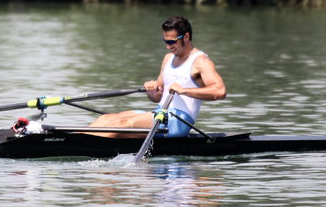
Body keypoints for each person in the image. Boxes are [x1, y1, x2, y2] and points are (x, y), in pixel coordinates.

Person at [88, 16, 226, 137]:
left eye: (172, 42)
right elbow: (157, 97)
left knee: (121, 124)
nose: (168, 46)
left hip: (178, 120)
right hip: (161, 112)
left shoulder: (200, 61)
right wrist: (151, 90)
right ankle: (75, 140)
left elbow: (219, 91)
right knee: (106, 119)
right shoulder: (168, 59)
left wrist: (184, 90)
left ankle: (87, 145)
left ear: (186, 37)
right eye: (165, 41)